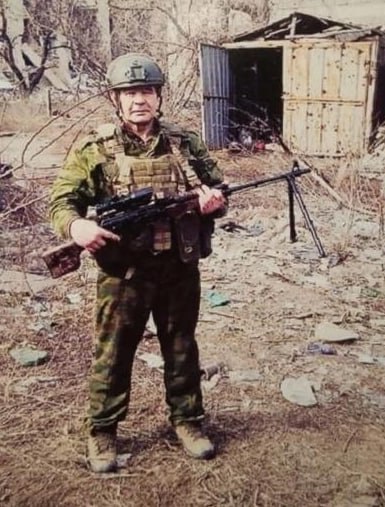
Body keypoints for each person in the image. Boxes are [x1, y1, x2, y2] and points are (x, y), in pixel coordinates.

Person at [49, 52, 226, 473]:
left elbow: (217, 189)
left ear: (158, 96)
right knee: (113, 353)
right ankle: (102, 430)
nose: (139, 100)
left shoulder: (185, 143)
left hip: (178, 266)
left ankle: (187, 420)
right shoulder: (95, 148)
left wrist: (213, 203)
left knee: (181, 347)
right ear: (116, 99)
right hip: (123, 273)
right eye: (129, 93)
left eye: (146, 90)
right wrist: (76, 227)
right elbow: (62, 200)